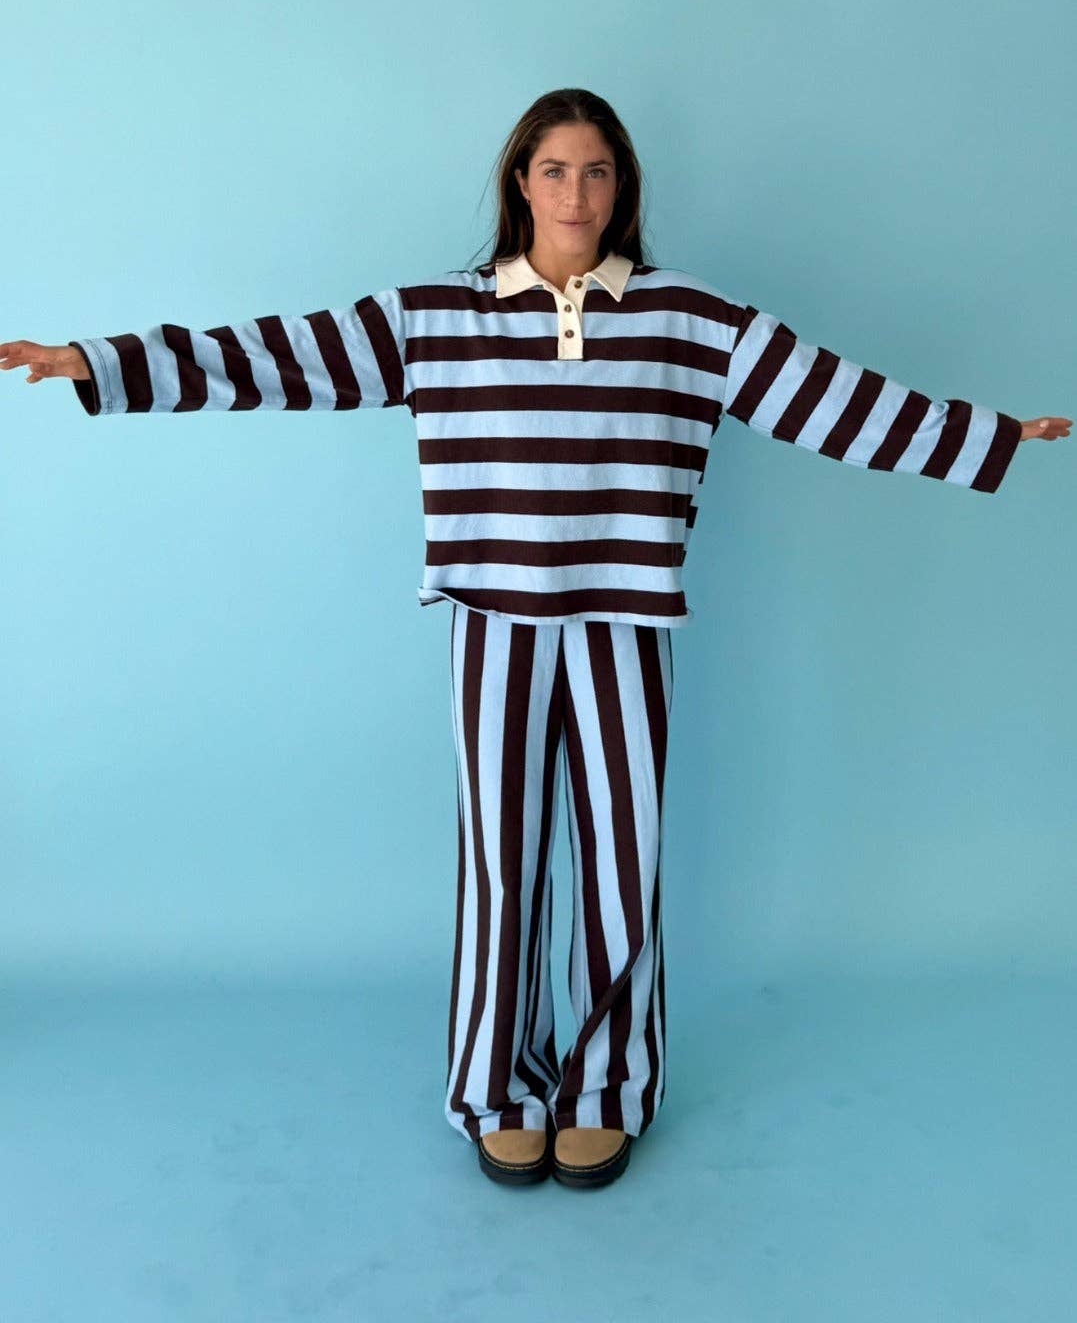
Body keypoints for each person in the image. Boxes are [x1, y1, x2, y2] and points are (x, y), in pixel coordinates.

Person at [2, 87, 1069, 1192]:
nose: (575, 192)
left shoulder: (689, 318)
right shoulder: (435, 315)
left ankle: (606, 1091)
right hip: (492, 620)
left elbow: (827, 396)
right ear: (521, 181)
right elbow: (280, 355)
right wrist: (103, 362)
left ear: (622, 188)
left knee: (620, 866)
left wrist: (984, 436)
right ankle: (496, 1089)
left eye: (597, 171)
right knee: (501, 866)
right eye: (555, 169)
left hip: (624, 622)